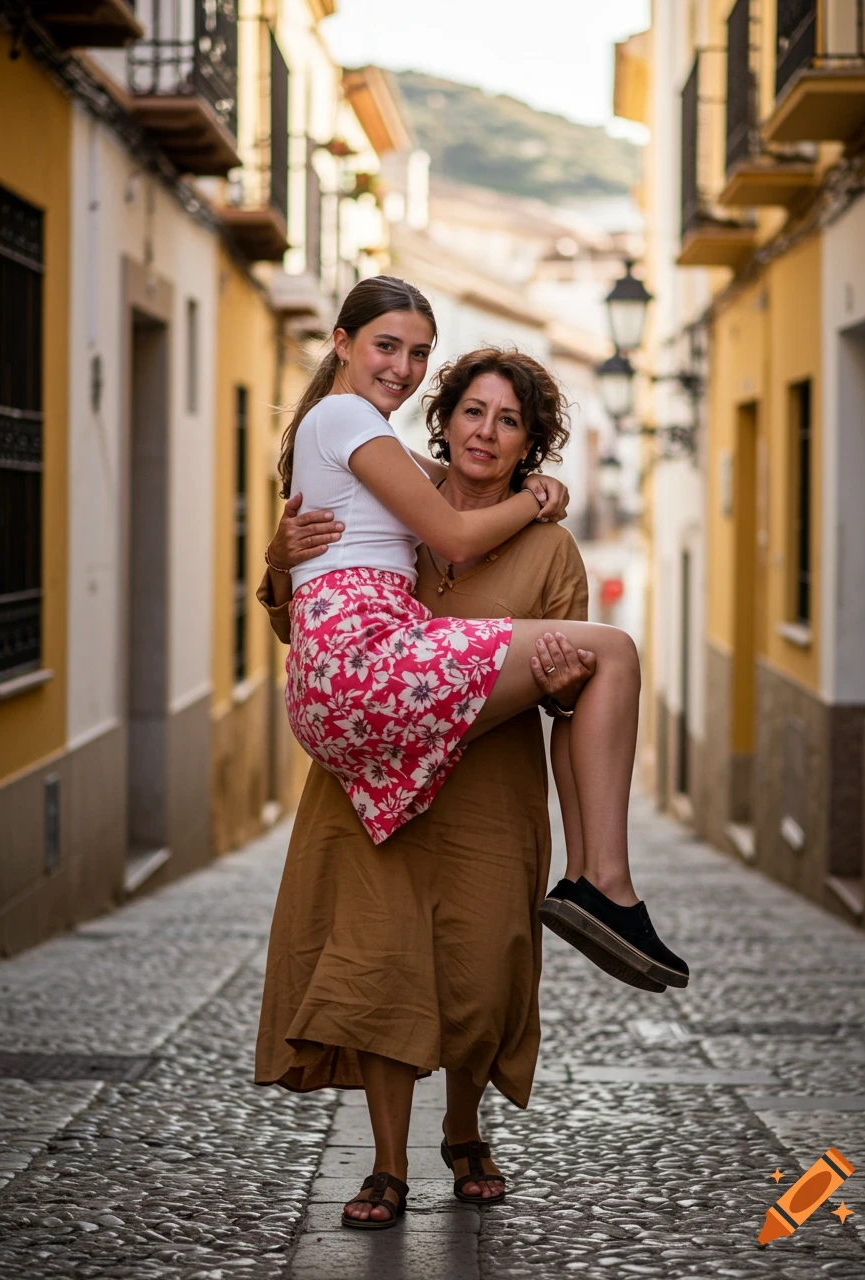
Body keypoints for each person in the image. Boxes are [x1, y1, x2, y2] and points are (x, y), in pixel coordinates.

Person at [256, 347, 598, 1229]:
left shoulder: (549, 549)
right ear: (443, 420)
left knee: (482, 975)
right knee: (379, 969)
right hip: (372, 792)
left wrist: (561, 686)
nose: (486, 432)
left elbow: (565, 686)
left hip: (487, 792)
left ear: (531, 445)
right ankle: (383, 1165)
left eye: (509, 420)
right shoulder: (382, 497)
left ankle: (465, 1125)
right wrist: (277, 561)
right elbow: (309, 627)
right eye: (473, 412)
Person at [272, 274, 685, 1001]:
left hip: (333, 676)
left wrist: (534, 488)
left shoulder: (360, 437)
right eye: (386, 346)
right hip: (359, 663)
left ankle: (592, 882)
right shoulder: (345, 419)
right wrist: (534, 495)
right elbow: (457, 532)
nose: (401, 367)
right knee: (615, 650)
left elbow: (444, 479)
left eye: (418, 353)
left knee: (592, 663)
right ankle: (605, 883)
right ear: (341, 343)